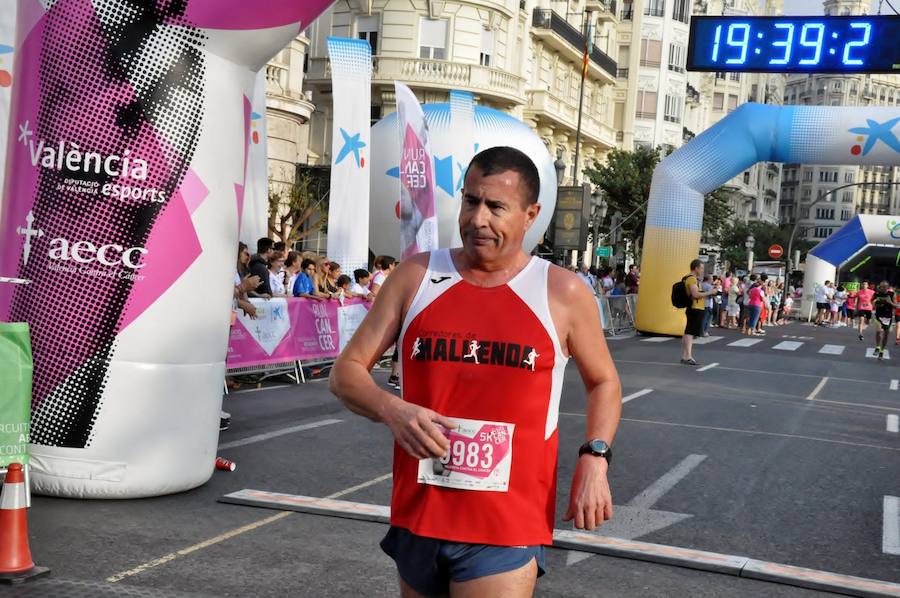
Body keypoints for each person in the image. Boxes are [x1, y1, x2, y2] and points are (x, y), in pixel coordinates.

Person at [330, 146, 621, 598]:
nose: (477, 219)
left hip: (505, 523)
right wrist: (393, 410)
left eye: (496, 207)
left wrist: (595, 457)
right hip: (419, 512)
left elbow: (603, 381)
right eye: (471, 201)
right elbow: (345, 372)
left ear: (530, 215)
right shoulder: (417, 276)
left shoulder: (561, 292)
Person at [681, 259, 718, 365]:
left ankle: (685, 355)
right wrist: (710, 292)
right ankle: (687, 356)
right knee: (690, 332)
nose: (702, 270)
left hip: (694, 307)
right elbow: (695, 294)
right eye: (701, 268)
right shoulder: (692, 279)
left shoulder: (690, 278)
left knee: (689, 331)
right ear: (696, 268)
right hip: (695, 307)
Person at [872, 281, 898, 360]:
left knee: (886, 335)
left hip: (888, 317)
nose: (882, 288)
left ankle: (881, 351)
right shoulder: (876, 294)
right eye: (881, 286)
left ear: (887, 287)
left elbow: (896, 306)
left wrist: (890, 302)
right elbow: (872, 302)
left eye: (884, 287)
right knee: (879, 331)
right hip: (878, 315)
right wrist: (874, 303)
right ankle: (877, 347)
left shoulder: (892, 294)